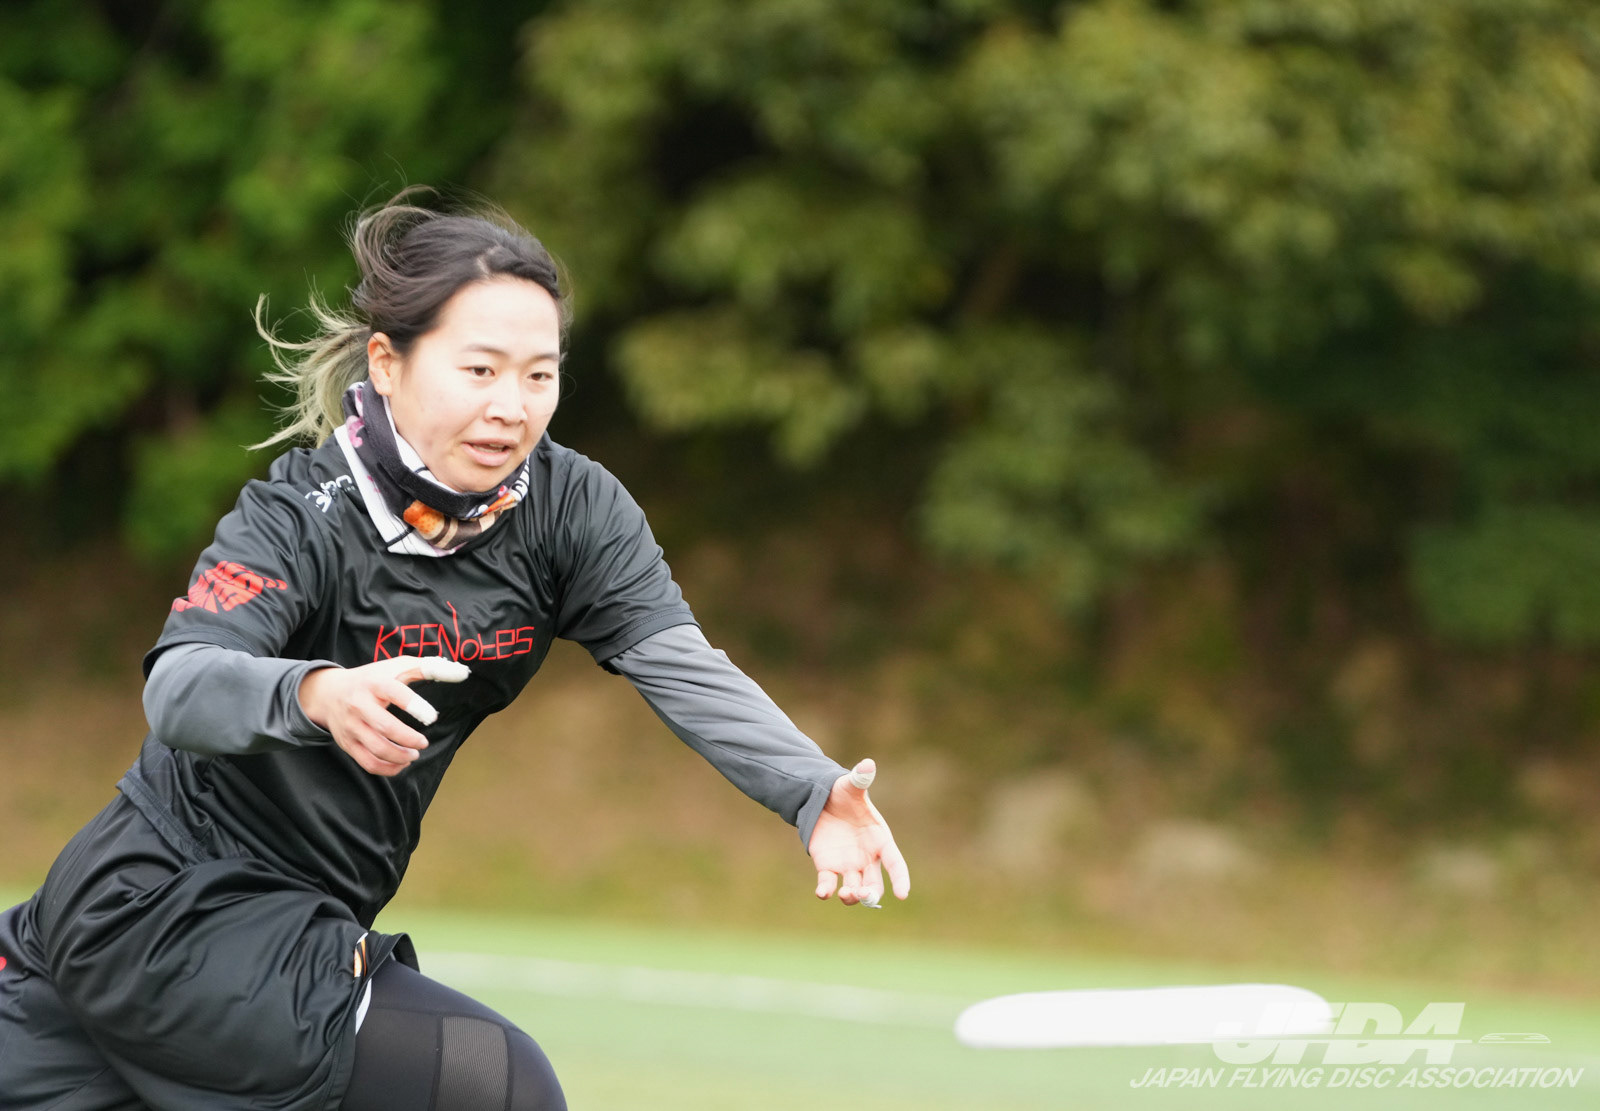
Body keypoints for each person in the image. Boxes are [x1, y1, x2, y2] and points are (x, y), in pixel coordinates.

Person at [0, 191, 911, 1111]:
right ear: (387, 363)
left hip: (299, 922)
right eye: (479, 370)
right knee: (498, 1083)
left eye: (539, 376)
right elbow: (181, 686)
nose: (510, 408)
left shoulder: (572, 510)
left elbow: (681, 663)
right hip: (162, 908)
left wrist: (810, 788)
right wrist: (318, 693)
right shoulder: (299, 514)